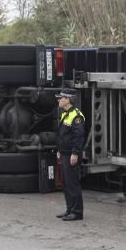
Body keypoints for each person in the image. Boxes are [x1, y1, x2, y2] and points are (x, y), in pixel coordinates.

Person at [55, 89, 86, 221]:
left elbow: (78, 137)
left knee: (72, 183)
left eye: (60, 98)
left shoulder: (76, 115)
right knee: (66, 183)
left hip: (71, 155)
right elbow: (63, 135)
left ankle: (77, 212)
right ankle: (69, 209)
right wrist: (59, 150)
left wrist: (75, 153)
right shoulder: (65, 114)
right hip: (64, 153)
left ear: (67, 99)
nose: (58, 100)